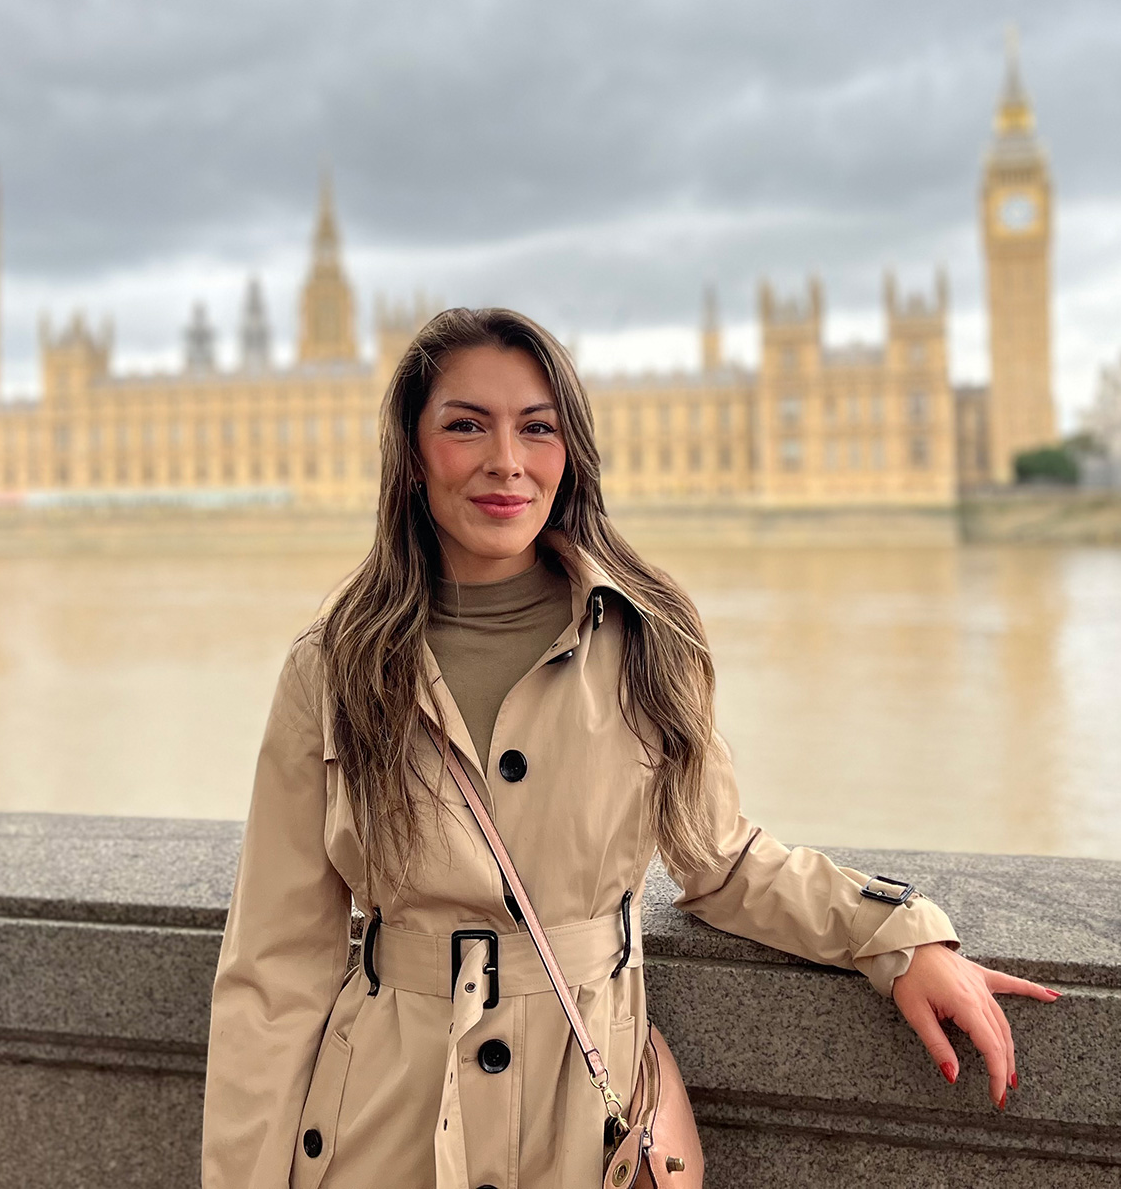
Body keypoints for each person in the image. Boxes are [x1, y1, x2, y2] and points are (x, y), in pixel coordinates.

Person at [201, 307, 1057, 1189]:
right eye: (466, 426)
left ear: (570, 450)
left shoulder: (650, 639)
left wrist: (895, 936)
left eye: (538, 427)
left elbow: (719, 859)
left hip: (586, 1124)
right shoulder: (334, 667)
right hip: (380, 1126)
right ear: (413, 457)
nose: (507, 460)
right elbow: (275, 967)